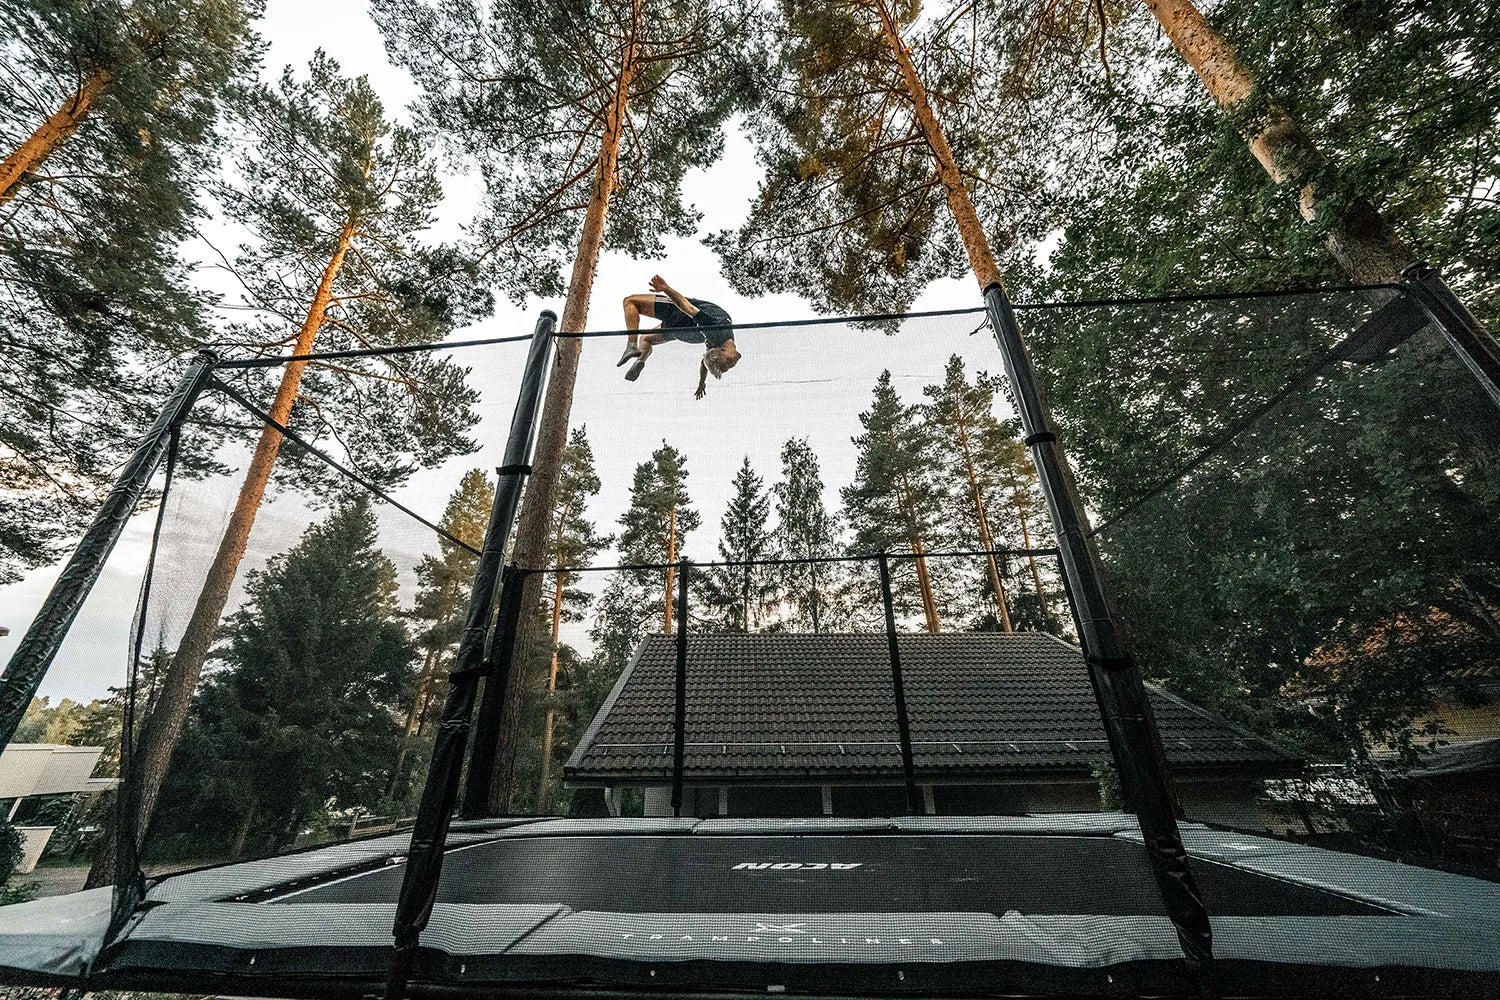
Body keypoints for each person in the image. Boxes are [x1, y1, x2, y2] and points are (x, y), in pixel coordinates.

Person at [618, 275, 739, 399]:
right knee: (646, 339)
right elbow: (704, 362)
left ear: (722, 349)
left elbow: (688, 307)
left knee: (630, 301)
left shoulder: (717, 327)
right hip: (682, 333)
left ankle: (631, 345)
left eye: (730, 361)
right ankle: (640, 360)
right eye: (732, 363)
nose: (734, 362)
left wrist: (665, 288)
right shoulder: (716, 345)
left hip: (678, 315)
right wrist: (701, 382)